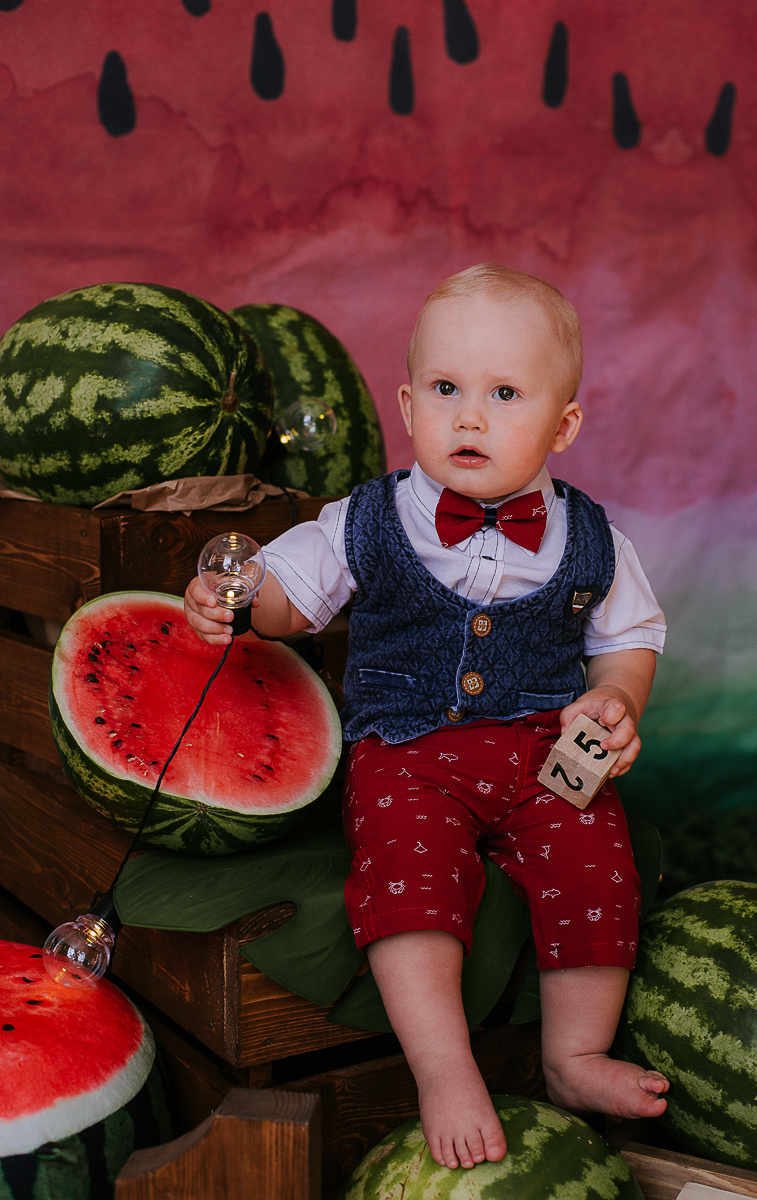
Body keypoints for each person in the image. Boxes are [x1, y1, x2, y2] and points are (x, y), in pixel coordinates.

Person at [184, 263, 669, 1171]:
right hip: (405, 752)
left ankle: (572, 1057)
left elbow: (629, 636)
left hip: (544, 749)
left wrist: (617, 697)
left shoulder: (594, 536)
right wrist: (241, 596)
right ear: (408, 407)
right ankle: (443, 1068)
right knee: (407, 880)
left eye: (504, 394)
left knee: (597, 859)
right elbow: (297, 590)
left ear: (563, 425)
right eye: (446, 390)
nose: (470, 417)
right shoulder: (368, 519)